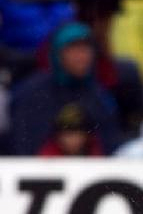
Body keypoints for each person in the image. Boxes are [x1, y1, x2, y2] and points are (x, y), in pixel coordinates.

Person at [9, 21, 121, 155]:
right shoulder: (32, 94)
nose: (82, 56)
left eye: (86, 49)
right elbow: (24, 147)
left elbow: (111, 146)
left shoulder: (99, 94)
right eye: (73, 50)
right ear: (57, 53)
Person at [37, 102, 104, 157]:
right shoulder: (46, 161)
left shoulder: (98, 158)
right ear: (58, 137)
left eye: (77, 134)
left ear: (86, 135)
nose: (72, 139)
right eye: (67, 135)